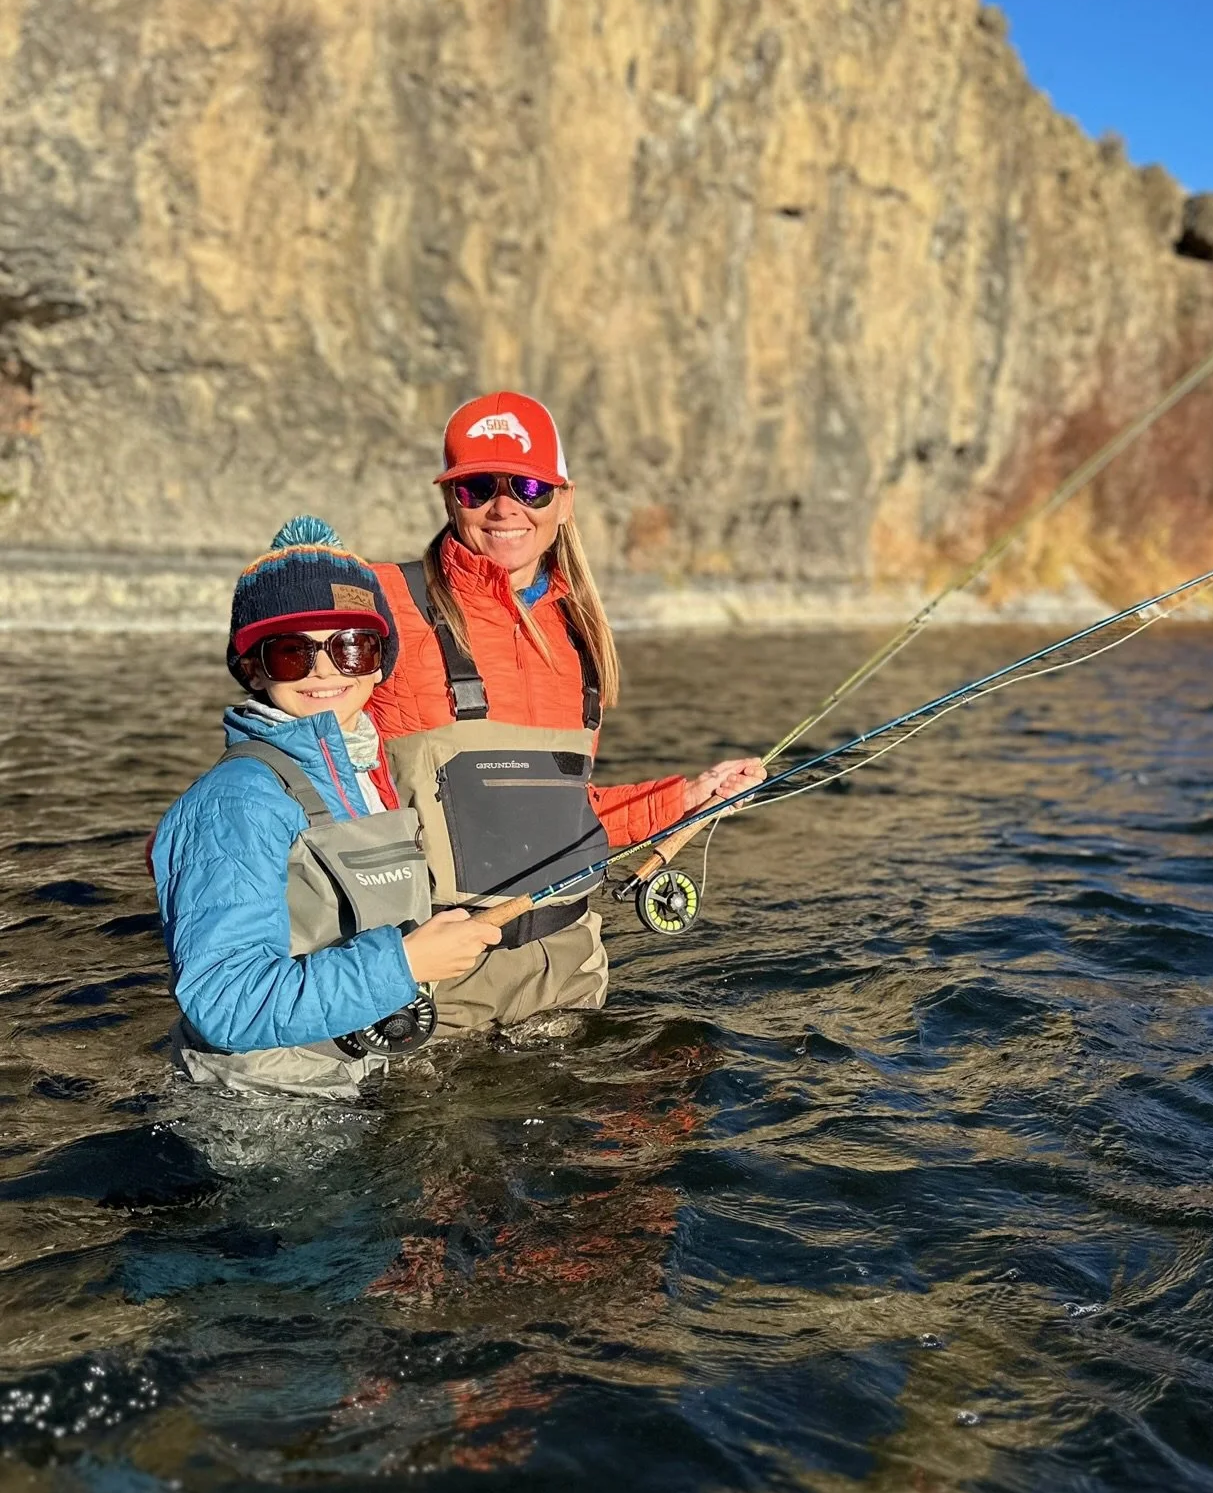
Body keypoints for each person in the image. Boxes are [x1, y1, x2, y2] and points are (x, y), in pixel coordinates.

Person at [370, 392, 764, 1035]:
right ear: (450, 499)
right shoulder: (384, 600)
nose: (505, 508)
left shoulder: (578, 636)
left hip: (570, 976)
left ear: (564, 501)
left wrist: (687, 797)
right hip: (432, 986)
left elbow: (556, 817)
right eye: (477, 487)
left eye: (529, 486)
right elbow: (283, 703)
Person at [152, 517, 503, 1098]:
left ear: (379, 662)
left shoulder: (370, 773)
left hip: (358, 1081)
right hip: (265, 1116)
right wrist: (405, 965)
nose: (323, 669)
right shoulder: (234, 801)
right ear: (252, 669)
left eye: (350, 646)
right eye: (292, 652)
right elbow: (223, 1001)